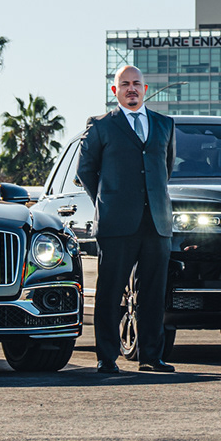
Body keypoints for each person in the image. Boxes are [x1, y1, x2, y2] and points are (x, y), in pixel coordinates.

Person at [77, 65, 177, 374]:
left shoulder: (164, 125)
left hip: (157, 222)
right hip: (116, 223)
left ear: (145, 90)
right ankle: (107, 358)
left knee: (152, 293)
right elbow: (85, 171)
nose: (131, 88)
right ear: (115, 91)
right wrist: (108, 201)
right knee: (111, 292)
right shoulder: (101, 126)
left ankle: (151, 356)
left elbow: (166, 167)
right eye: (124, 84)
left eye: (136, 84)